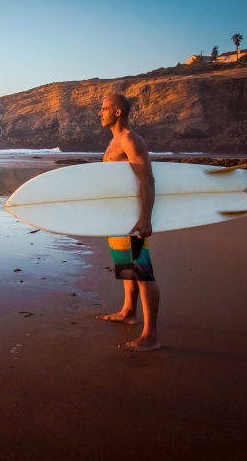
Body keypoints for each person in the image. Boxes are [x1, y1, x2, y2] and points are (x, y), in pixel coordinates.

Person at [96, 93, 161, 351]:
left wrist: (145, 218)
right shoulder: (113, 142)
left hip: (134, 219)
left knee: (143, 273)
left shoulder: (131, 140)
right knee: (126, 267)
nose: (100, 113)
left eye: (104, 109)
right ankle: (128, 311)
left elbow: (147, 180)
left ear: (118, 112)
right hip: (118, 218)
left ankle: (151, 335)